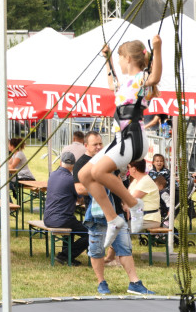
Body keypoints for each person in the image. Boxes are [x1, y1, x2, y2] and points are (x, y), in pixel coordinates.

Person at [80, 36, 162, 246]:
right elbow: (111, 82)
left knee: (99, 172)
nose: (118, 63)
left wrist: (157, 48)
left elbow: (155, 77)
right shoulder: (125, 82)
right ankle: (113, 219)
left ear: (128, 59)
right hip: (120, 138)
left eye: (119, 59)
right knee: (84, 174)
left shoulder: (142, 78)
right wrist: (107, 59)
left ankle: (134, 205)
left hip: (132, 138)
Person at [82, 164, 154, 295]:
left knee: (125, 248)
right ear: (87, 145)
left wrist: (126, 201)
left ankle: (134, 283)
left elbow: (119, 183)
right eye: (95, 144)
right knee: (97, 250)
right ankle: (101, 282)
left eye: (100, 143)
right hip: (97, 216)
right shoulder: (84, 163)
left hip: (118, 214)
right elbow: (78, 188)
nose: (99, 146)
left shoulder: (109, 162)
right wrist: (100, 186)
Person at [43, 152, 88, 266]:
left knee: (72, 225)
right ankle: (65, 255)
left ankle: (67, 256)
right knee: (90, 233)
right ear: (74, 165)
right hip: (62, 219)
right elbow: (80, 199)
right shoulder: (71, 180)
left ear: (60, 162)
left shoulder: (52, 175)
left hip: (48, 218)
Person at [126, 158, 159, 228]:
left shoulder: (145, 181)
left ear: (134, 169)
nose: (127, 169)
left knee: (119, 228)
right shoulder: (136, 180)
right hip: (142, 217)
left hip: (149, 219)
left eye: (128, 167)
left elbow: (131, 200)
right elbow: (126, 195)